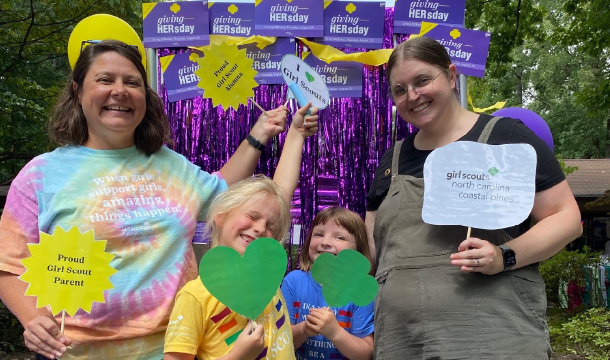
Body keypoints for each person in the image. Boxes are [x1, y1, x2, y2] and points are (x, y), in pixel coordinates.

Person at [0, 39, 315, 360]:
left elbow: (226, 193)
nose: (120, 90)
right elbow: (7, 264)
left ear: (144, 98)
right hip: (74, 353)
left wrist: (260, 134)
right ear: (78, 91)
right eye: (105, 79)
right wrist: (34, 319)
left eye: (132, 82)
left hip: (176, 349)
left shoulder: (171, 166)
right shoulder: (40, 175)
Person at [365, 36, 582, 359]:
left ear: (451, 76)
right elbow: (373, 249)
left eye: (422, 80)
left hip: (493, 339)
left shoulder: (506, 139)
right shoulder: (391, 160)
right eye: (400, 89)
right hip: (403, 341)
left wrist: (504, 255)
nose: (412, 95)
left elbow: (566, 219)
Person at [163, 103, 319, 360]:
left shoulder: (266, 276)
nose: (260, 229)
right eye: (252, 216)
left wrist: (296, 134)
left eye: (271, 226)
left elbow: (281, 193)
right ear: (221, 216)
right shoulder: (195, 296)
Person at [281, 207, 374, 360]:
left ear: (357, 250)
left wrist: (334, 332)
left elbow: (365, 354)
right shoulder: (293, 282)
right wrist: (305, 328)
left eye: (339, 237)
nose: (325, 242)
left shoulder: (361, 291)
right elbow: (282, 342)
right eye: (318, 234)